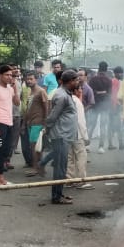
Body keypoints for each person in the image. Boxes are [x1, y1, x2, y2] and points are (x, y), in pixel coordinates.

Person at [43, 69, 80, 205]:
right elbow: (52, 116)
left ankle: (59, 193)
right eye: (76, 80)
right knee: (60, 168)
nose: (78, 82)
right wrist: (46, 129)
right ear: (70, 81)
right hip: (60, 136)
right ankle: (56, 197)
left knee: (62, 167)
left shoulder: (65, 93)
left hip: (64, 135)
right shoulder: (61, 95)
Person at [22, 70, 51, 177]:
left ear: (37, 80)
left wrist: (45, 124)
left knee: (35, 147)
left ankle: (36, 168)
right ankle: (40, 168)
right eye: (27, 79)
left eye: (31, 79)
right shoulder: (30, 91)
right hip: (31, 123)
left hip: (38, 123)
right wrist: (24, 124)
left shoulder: (41, 91)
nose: (29, 81)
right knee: (36, 147)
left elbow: (46, 107)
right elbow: (27, 109)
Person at [89, 61, 114, 152]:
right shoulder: (108, 80)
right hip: (105, 106)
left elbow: (90, 92)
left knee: (92, 125)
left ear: (99, 68)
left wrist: (97, 93)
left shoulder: (93, 79)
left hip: (94, 105)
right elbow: (110, 94)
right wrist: (104, 92)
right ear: (106, 69)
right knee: (103, 126)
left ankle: (87, 146)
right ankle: (101, 147)